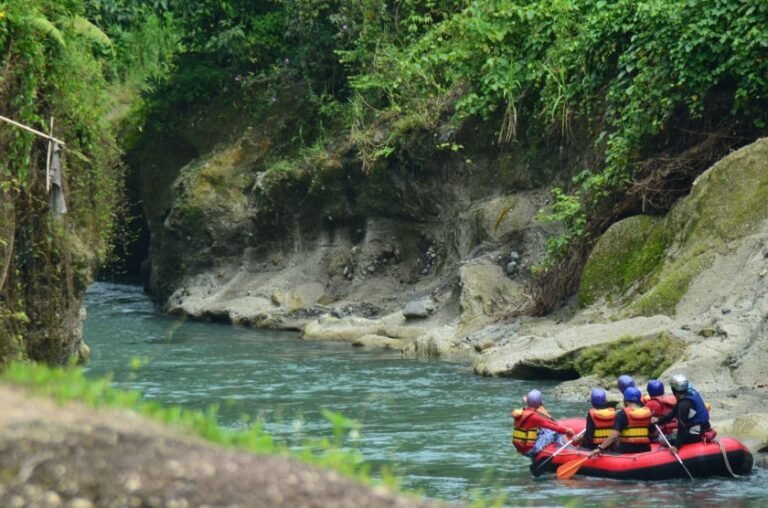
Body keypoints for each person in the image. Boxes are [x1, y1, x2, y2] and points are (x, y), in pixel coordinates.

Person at [652, 374, 711, 453]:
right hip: (703, 429)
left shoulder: (683, 405)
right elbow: (673, 413)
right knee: (675, 431)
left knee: (662, 440)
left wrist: (676, 446)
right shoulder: (691, 394)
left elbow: (682, 426)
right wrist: (659, 420)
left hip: (695, 434)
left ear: (673, 389)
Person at [589, 386, 652, 456]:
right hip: (645, 448)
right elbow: (654, 433)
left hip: (627, 449)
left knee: (612, 446)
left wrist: (600, 448)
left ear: (625, 400)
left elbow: (614, 436)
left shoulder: (622, 414)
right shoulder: (647, 413)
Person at [512, 389, 574, 457]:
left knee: (545, 430)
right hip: (531, 450)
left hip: (521, 448)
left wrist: (555, 424)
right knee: (557, 432)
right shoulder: (534, 417)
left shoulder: (522, 412)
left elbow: (546, 422)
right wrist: (567, 430)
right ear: (539, 403)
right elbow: (554, 428)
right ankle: (569, 450)